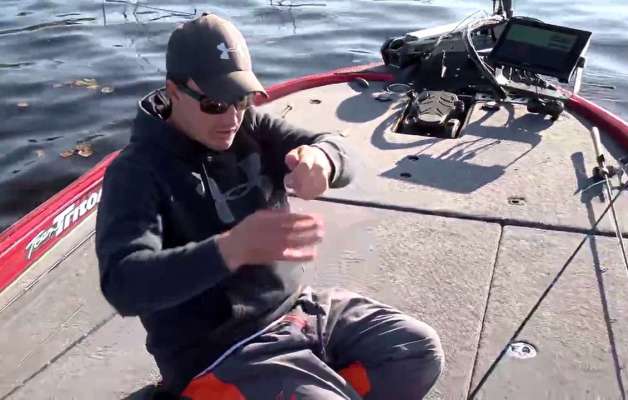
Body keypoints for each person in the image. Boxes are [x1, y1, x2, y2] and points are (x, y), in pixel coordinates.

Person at [95, 13, 443, 400]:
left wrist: (323, 160)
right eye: (214, 103)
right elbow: (123, 285)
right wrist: (230, 249)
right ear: (173, 92)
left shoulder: (251, 128)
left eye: (241, 98)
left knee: (417, 352)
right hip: (217, 353)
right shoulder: (136, 172)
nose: (232, 117)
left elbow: (338, 147)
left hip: (299, 311)